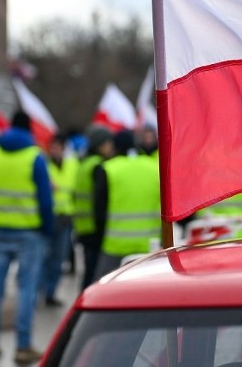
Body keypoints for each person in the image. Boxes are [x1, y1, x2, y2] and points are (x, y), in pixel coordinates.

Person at [0, 110, 53, 363]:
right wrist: (48, 229)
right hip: (29, 233)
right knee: (26, 290)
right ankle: (22, 346)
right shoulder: (34, 157)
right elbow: (46, 201)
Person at [92, 130, 161, 279]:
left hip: (115, 246)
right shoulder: (154, 166)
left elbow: (99, 211)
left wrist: (98, 239)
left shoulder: (108, 168)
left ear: (115, 148)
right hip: (149, 246)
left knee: (104, 290)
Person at [40, 132, 79, 307]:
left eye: (58, 147)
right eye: (52, 147)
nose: (55, 150)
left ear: (64, 148)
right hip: (48, 217)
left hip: (65, 218)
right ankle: (40, 291)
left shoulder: (72, 165)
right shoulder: (44, 165)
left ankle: (51, 292)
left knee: (59, 258)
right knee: (44, 257)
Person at [73, 125, 113, 290]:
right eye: (107, 143)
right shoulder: (98, 166)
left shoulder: (83, 164)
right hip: (95, 229)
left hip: (83, 227)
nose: (110, 146)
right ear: (100, 145)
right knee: (95, 274)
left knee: (88, 272)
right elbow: (100, 202)